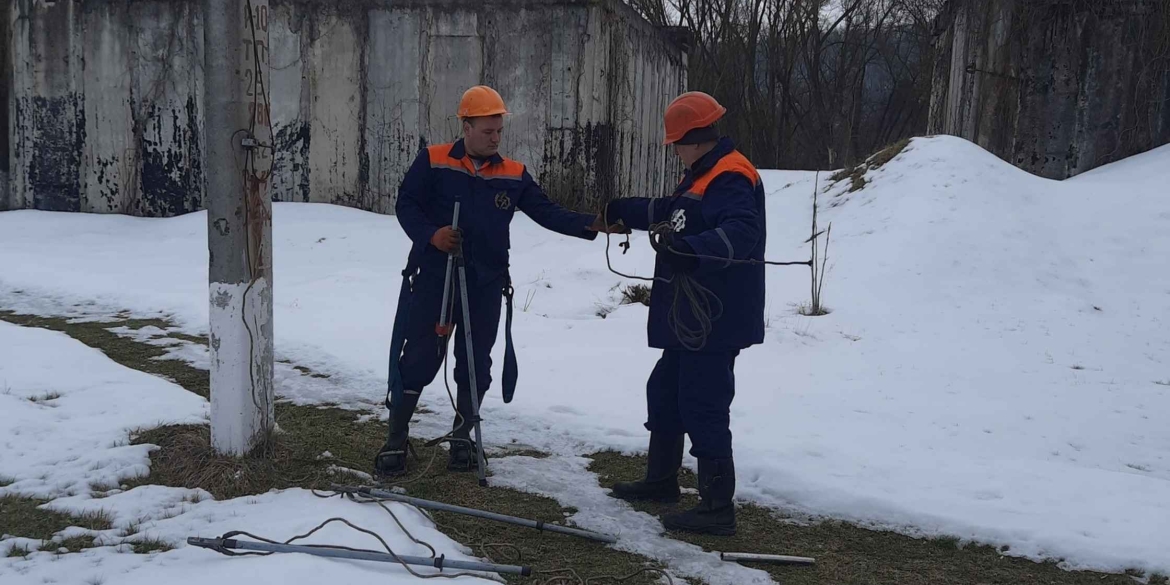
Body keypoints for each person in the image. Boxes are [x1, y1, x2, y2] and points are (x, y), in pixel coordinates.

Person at [375, 85, 620, 477]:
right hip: (436, 278)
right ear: (467, 127)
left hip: (485, 283)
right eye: (487, 131)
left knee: (475, 363)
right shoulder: (434, 161)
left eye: (499, 131)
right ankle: (395, 441)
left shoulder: (513, 174)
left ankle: (462, 439)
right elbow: (406, 204)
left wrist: (591, 223)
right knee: (419, 358)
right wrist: (432, 235)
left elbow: (546, 211)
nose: (494, 138)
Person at [598, 91, 766, 536]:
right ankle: (661, 481)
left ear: (692, 139)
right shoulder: (702, 174)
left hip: (714, 319)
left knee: (703, 404)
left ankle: (717, 508)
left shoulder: (730, 176)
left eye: (676, 144)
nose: (675, 151)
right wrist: (622, 210)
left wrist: (692, 251)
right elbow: (672, 214)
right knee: (666, 391)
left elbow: (741, 232)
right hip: (687, 319)